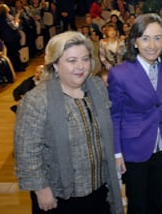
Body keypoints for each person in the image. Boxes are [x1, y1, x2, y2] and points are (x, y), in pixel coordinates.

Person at [14, 31, 123, 214]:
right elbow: (26, 152)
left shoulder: (97, 87)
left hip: (98, 187)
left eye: (85, 59)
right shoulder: (37, 100)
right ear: (55, 64)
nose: (81, 66)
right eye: (71, 61)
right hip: (59, 195)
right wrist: (41, 189)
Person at [108, 13, 162, 214]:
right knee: (138, 205)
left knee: (157, 201)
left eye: (158, 38)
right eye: (145, 38)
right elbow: (115, 116)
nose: (152, 45)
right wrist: (117, 152)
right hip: (134, 147)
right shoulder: (120, 73)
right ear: (135, 42)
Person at [0, 3, 24, 72]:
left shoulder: (0, 17)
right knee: (14, 53)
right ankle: (18, 67)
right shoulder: (6, 17)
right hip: (11, 37)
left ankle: (15, 67)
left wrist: (16, 17)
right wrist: (17, 22)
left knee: (11, 53)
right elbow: (14, 27)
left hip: (6, 37)